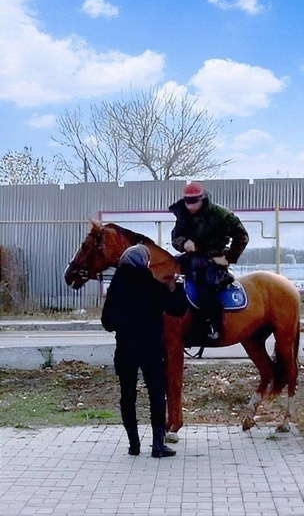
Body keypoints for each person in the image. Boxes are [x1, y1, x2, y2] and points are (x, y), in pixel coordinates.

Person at [101, 244, 184, 458]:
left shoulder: (116, 286)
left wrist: (123, 325)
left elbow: (107, 321)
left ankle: (133, 445)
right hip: (151, 348)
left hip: (126, 349)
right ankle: (158, 445)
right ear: (144, 262)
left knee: (127, 396)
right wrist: (178, 289)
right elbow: (176, 309)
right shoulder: (150, 284)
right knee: (156, 393)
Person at [169, 181, 249, 340]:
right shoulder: (182, 213)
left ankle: (213, 326)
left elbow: (242, 236)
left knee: (206, 286)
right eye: (186, 201)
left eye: (193, 201)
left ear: (202, 199)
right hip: (190, 258)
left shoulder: (221, 215)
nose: (189, 205)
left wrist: (228, 258)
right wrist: (183, 242)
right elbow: (175, 237)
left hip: (212, 260)